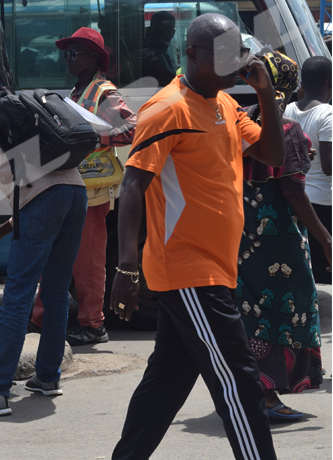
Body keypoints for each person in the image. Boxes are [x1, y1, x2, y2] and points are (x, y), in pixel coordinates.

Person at [109, 14, 286, 460]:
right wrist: (127, 266)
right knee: (239, 382)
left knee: (166, 382)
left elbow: (271, 154)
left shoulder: (225, 105)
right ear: (191, 55)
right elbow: (132, 186)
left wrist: (265, 92)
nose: (232, 65)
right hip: (189, 269)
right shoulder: (167, 108)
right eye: (222, 56)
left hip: (215, 267)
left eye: (236, 55)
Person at [0, 110, 88, 416]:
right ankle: (47, 378)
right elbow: (45, 192)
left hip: (42, 200)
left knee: (18, 297)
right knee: (55, 292)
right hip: (76, 194)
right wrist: (2, 230)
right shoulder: (22, 121)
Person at [235, 50, 331, 423]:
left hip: (243, 236)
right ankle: (268, 396)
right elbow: (292, 192)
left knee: (250, 310)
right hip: (279, 242)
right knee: (283, 314)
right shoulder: (288, 132)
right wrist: (325, 238)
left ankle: (256, 390)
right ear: (291, 87)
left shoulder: (241, 121)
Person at [28, 27, 137, 346]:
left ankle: (92, 324)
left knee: (87, 261)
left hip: (93, 189)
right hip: (74, 185)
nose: (68, 59)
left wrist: (94, 138)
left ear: (95, 58)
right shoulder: (78, 92)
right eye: (67, 53)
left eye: (75, 53)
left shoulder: (102, 91)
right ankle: (42, 318)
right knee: (56, 256)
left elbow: (132, 128)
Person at [284, 56, 332, 284]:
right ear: (329, 82)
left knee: (308, 265)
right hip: (324, 202)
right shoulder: (328, 114)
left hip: (297, 198)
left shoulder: (290, 109)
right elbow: (329, 167)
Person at [140, 11, 178, 87]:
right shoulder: (146, 54)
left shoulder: (164, 53)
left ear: (173, 33)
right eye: (159, 30)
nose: (164, 33)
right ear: (150, 30)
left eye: (168, 29)